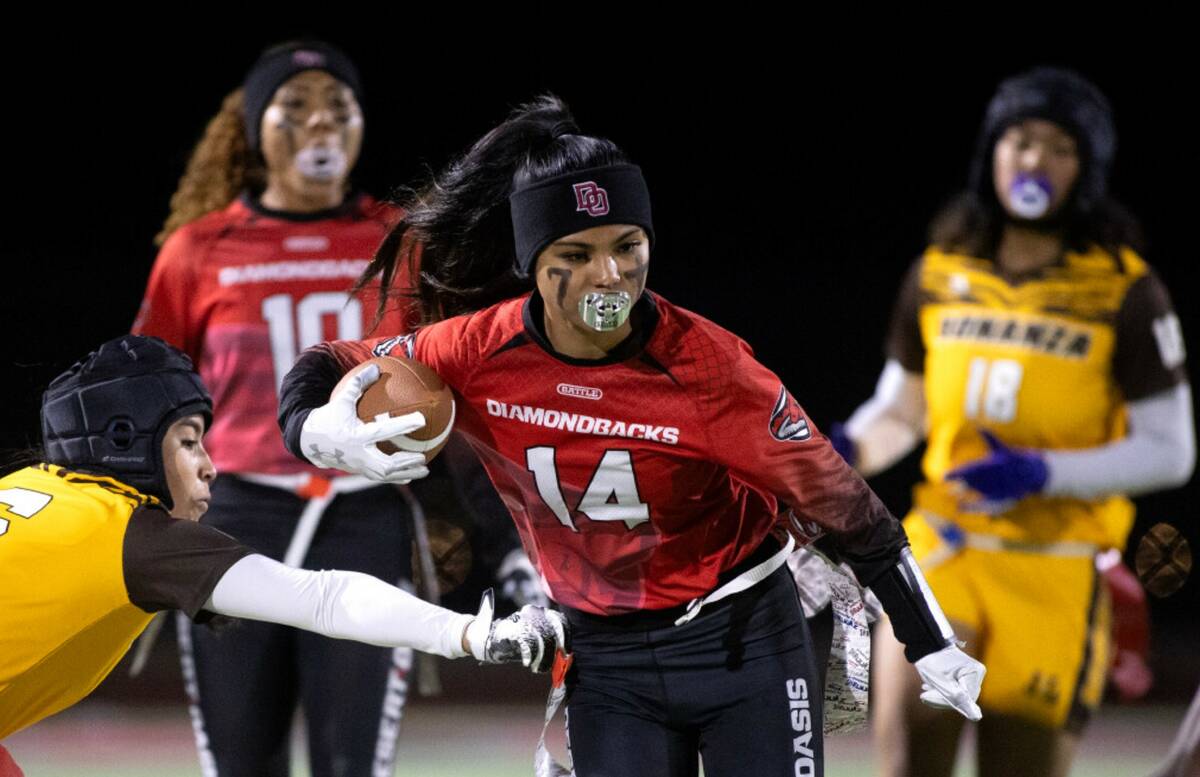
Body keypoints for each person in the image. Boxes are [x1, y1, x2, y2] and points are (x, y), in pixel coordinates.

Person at [276, 95, 984, 777]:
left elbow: (845, 503)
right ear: (532, 262)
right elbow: (334, 360)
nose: (608, 273)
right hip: (604, 654)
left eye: (627, 245)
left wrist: (927, 637)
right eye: (577, 253)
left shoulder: (711, 367)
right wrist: (316, 428)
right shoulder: (474, 350)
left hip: (742, 641)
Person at [132, 39, 529, 776]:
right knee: (242, 763)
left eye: (338, 107)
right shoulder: (198, 250)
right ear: (255, 128)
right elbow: (148, 394)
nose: (321, 124)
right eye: (297, 107)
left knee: (353, 764)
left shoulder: (397, 240)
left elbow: (455, 388)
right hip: (235, 513)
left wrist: (509, 536)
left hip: (362, 515)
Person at [827, 67, 1195, 777]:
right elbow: (904, 408)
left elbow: (1170, 450)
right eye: (1020, 140)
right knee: (913, 727)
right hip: (948, 546)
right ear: (992, 151)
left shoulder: (1124, 288)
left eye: (1058, 146)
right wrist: (851, 449)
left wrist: (1044, 472)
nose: (1033, 161)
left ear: (1087, 166)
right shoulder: (940, 270)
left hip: (1056, 569)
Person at [0, 336, 567, 775]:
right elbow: (325, 598)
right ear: (125, 440)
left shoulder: (25, 484)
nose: (210, 465)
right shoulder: (134, 535)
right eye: (189, 440)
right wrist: (472, 634)